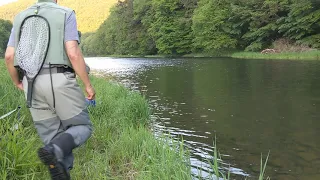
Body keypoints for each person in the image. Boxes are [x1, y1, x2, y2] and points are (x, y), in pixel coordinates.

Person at [4, 0, 95, 179]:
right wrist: (88, 84)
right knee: (82, 127)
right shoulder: (65, 13)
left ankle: (57, 158)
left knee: (55, 140)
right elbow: (73, 52)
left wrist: (17, 82)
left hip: (30, 85)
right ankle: (55, 149)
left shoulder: (20, 17)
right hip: (58, 79)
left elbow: (9, 56)